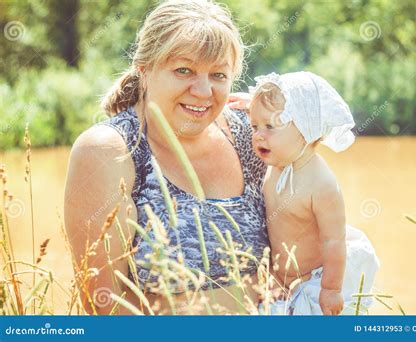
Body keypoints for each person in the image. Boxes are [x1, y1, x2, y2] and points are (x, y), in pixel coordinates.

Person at [64, 0, 269, 315]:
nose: (203, 90)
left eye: (218, 75)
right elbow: (104, 308)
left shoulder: (250, 135)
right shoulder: (108, 152)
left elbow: (308, 238)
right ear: (145, 70)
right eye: (183, 70)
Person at [230, 71, 379, 315]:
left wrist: (330, 289)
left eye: (270, 126)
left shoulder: (321, 184)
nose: (258, 135)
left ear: (307, 128)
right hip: (280, 277)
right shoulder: (279, 162)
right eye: (255, 125)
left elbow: (334, 241)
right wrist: (255, 107)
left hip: (315, 279)